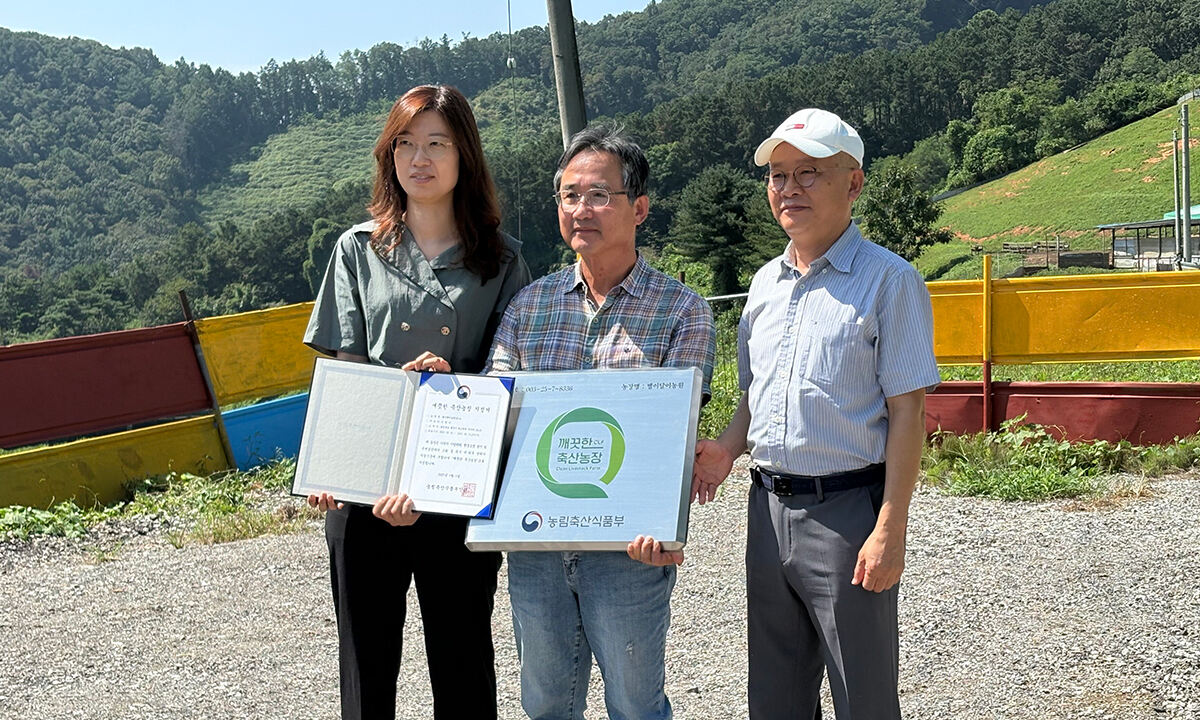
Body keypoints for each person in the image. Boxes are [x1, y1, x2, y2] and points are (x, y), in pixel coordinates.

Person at [691, 108, 940, 719]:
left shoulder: (889, 281)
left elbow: (908, 413)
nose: (788, 189)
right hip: (765, 506)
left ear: (853, 183)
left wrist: (891, 528)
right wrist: (726, 447)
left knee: (863, 695)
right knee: (774, 692)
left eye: (809, 173)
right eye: (778, 175)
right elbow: (758, 394)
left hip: (848, 510)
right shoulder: (764, 285)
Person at [301, 84, 531, 720]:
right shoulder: (357, 248)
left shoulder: (503, 258)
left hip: (457, 487)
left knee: (462, 664)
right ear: (388, 156)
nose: (419, 159)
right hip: (367, 491)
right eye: (405, 144)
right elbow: (344, 364)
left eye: (437, 144)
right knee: (365, 668)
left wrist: (451, 379)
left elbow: (509, 372)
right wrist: (344, 469)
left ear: (465, 158)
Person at [487, 124, 715, 720]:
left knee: (636, 705)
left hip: (628, 549)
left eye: (598, 195)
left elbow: (675, 436)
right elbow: (490, 411)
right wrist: (443, 396)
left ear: (638, 207)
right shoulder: (529, 305)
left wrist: (666, 525)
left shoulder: (680, 311)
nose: (580, 210)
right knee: (544, 705)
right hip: (535, 543)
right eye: (568, 195)